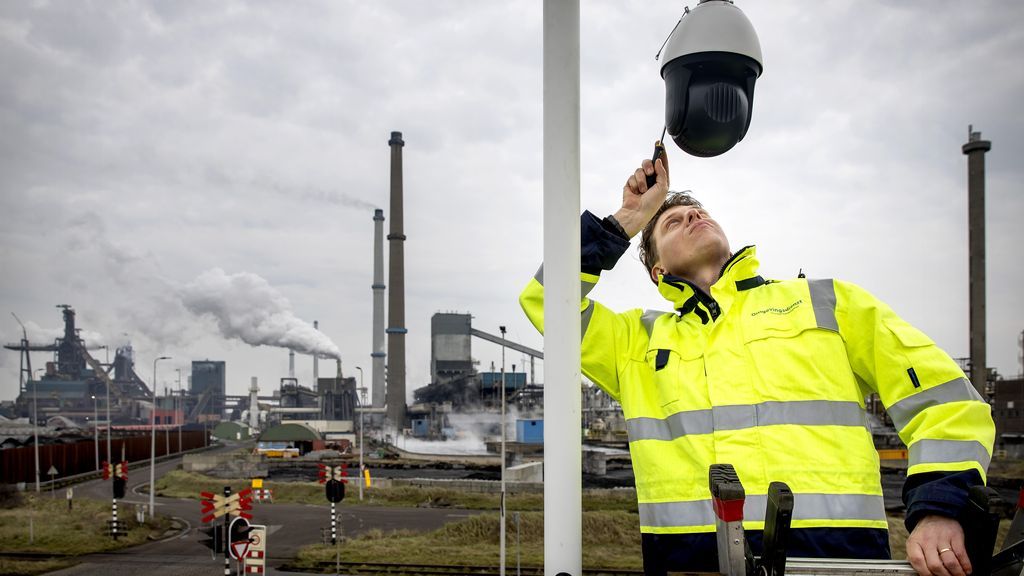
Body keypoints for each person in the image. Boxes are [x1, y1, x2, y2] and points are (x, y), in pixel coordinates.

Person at [519, 149, 995, 576]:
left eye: (698, 212)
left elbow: (943, 398)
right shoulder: (634, 341)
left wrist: (939, 507)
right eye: (673, 222)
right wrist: (628, 217)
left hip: (837, 560)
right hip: (691, 563)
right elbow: (545, 300)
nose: (692, 217)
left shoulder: (826, 303)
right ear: (656, 270)